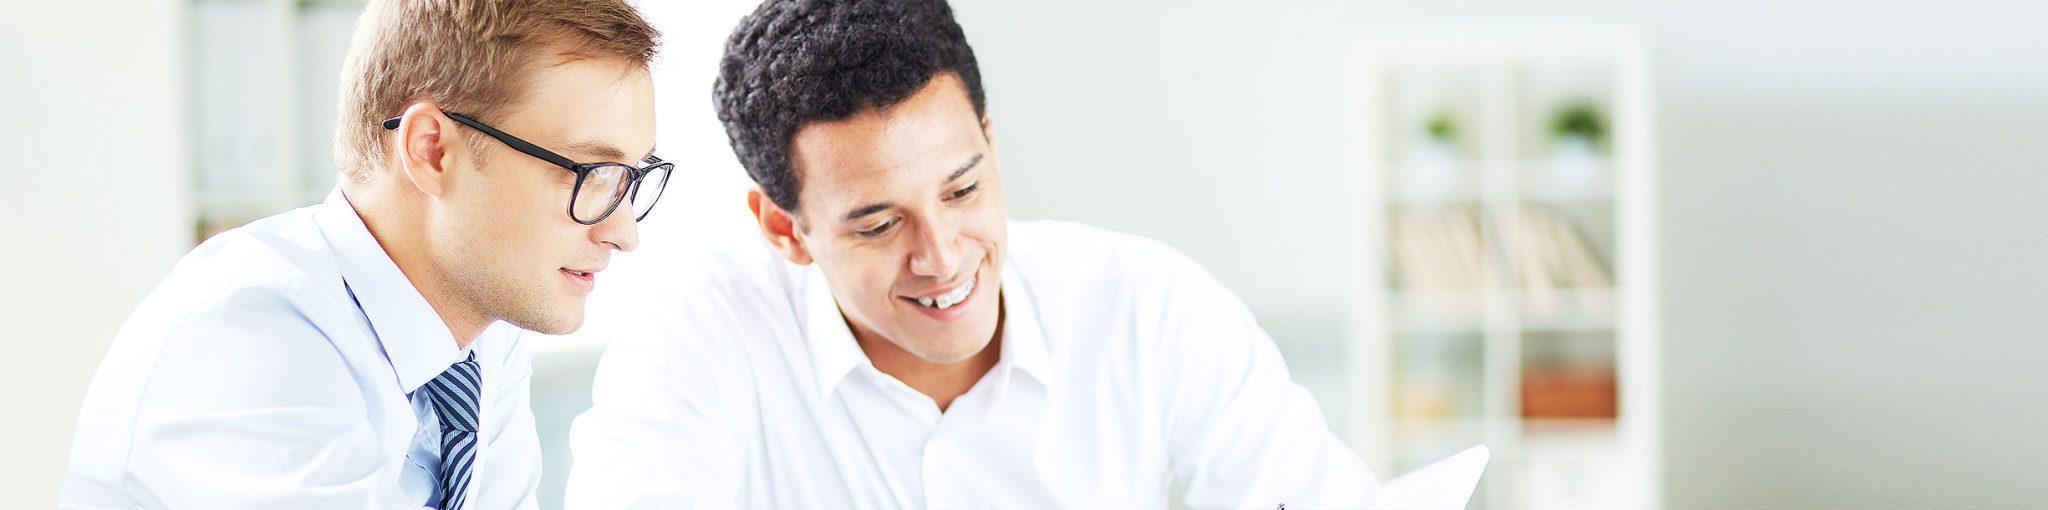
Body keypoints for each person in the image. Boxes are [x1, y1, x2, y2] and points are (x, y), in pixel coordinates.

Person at [565, 0, 1380, 507]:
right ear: (785, 229)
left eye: (962, 190)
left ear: (990, 141)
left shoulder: (1147, 307)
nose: (943, 257)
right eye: (878, 226)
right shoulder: (698, 338)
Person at [61, 0, 667, 507]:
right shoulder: (250, 332)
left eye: (631, 179)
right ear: (432, 151)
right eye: (592, 173)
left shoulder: (482, 340)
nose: (623, 233)